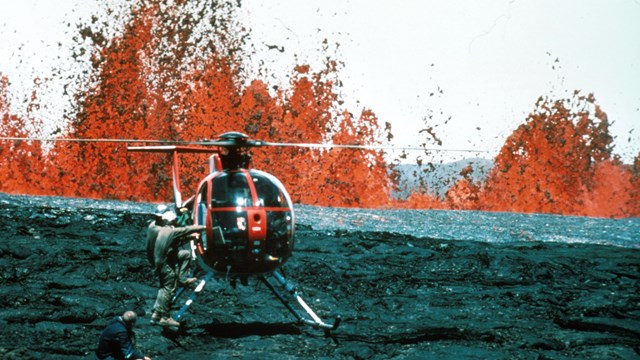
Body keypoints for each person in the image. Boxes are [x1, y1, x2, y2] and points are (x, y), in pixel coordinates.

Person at [148, 209, 205, 327]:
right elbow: (184, 230)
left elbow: (177, 238)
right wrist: (202, 227)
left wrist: (190, 237)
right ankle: (165, 317)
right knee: (169, 289)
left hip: (159, 260)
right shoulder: (170, 232)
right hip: (164, 263)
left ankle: (156, 313)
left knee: (185, 255)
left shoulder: (162, 230)